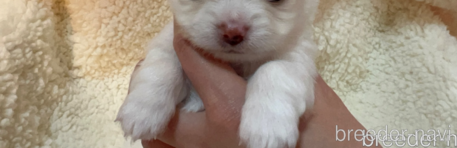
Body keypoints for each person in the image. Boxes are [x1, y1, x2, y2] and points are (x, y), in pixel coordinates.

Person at [131, 22, 380, 148]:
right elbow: (163, 56)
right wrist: (156, 83)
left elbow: (291, 71)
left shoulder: (289, 49)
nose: (232, 27)